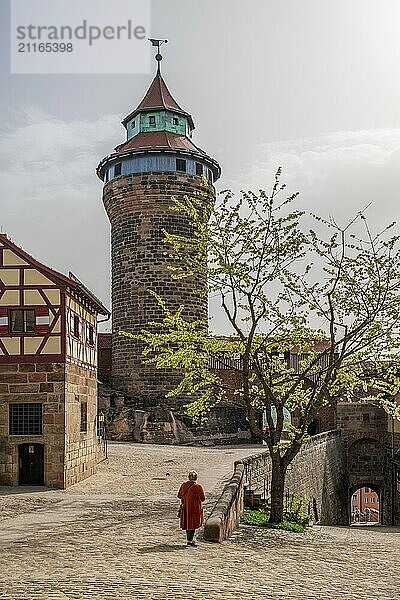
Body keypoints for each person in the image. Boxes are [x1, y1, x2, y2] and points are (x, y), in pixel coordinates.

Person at [177, 471, 205, 547]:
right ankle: (190, 540)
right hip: (195, 508)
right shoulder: (198, 487)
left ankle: (189, 539)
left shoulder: (183, 485)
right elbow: (202, 499)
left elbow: (179, 495)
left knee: (187, 523)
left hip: (185, 507)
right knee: (192, 524)